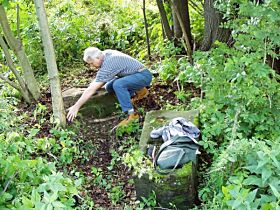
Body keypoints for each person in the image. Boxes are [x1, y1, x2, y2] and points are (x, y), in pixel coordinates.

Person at [67, 47, 152, 126]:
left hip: (143, 75)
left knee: (118, 84)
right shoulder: (105, 54)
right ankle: (140, 91)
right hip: (133, 75)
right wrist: (91, 87)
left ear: (97, 58)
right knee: (109, 86)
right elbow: (97, 81)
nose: (91, 66)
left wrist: (76, 106)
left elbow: (94, 87)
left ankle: (132, 115)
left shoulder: (110, 62)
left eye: (92, 63)